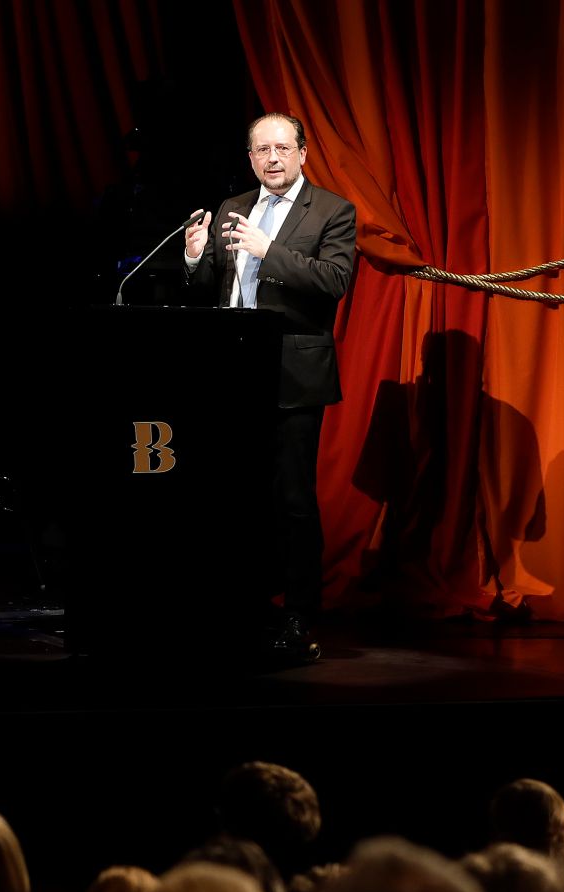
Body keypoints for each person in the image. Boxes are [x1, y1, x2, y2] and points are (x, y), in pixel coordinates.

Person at [184, 112, 356, 662]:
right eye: (263, 150)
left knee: (292, 500)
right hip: (230, 374)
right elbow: (216, 285)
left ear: (304, 153)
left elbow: (335, 280)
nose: (273, 158)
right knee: (235, 496)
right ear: (251, 157)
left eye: (283, 147)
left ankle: (300, 614)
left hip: (293, 374)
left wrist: (268, 251)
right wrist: (196, 255)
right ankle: (242, 607)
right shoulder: (234, 207)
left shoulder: (332, 210)